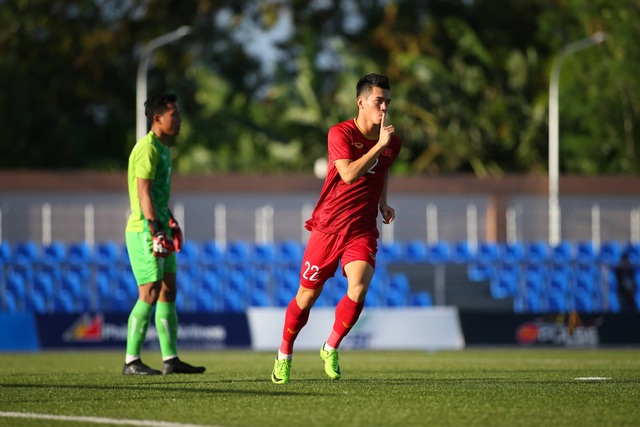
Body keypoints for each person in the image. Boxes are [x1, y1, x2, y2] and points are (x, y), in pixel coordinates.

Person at [271, 73, 402, 384]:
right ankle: (284, 354)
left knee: (358, 286)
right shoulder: (340, 133)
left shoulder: (392, 141)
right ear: (361, 102)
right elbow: (348, 175)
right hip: (329, 227)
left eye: (387, 102)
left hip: (362, 228)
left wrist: (383, 202)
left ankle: (330, 347)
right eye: (378, 101)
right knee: (306, 296)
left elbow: (382, 171)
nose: (383, 108)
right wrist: (378, 147)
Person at [122, 93, 206, 375]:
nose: (180, 120)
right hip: (143, 230)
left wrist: (171, 222)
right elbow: (143, 193)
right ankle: (131, 361)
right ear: (158, 119)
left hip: (159, 228)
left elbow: (157, 196)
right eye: (175, 115)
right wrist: (156, 229)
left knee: (168, 290)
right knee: (149, 292)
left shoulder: (164, 148)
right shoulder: (147, 149)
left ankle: (170, 359)